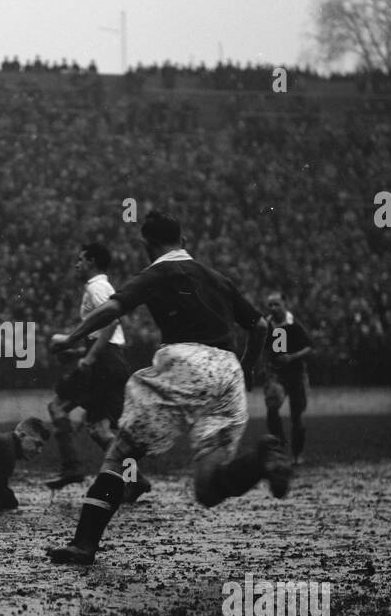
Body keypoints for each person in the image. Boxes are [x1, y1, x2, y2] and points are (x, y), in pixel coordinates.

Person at [46, 212, 291, 566]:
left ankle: (84, 544)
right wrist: (248, 367)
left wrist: (70, 337)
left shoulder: (157, 273)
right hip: (228, 373)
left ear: (146, 244)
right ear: (184, 241)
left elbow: (113, 308)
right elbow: (261, 326)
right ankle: (261, 460)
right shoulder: (217, 277)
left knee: (119, 454)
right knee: (208, 489)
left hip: (187, 363)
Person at [45, 242, 147, 501]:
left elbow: (111, 323)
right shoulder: (101, 287)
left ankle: (72, 469)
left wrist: (88, 358)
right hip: (110, 360)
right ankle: (135, 480)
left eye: (80, 260)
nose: (76, 264)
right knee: (100, 430)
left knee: (57, 408)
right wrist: (80, 353)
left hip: (103, 363)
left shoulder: (97, 287)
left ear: (91, 262)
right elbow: (108, 335)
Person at [263, 291, 312, 465]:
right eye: (270, 305)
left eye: (276, 304)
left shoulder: (294, 325)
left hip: (297, 375)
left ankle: (297, 455)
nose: (273, 308)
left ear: (285, 304)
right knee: (272, 408)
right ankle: (280, 448)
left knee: (297, 417)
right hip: (277, 375)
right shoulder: (269, 324)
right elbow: (271, 348)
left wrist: (291, 357)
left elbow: (309, 346)